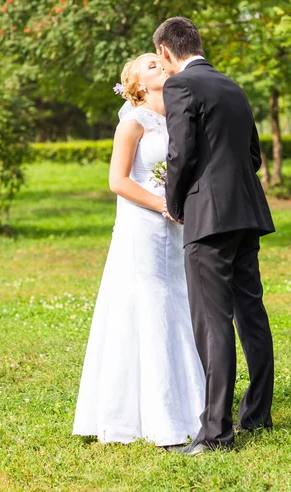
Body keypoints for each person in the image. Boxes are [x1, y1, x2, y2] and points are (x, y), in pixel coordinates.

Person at [154, 17, 275, 456]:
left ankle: (216, 432)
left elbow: (180, 151)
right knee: (251, 314)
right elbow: (253, 156)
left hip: (210, 218)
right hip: (247, 213)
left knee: (212, 322)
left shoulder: (179, 87)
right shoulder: (232, 86)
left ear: (166, 52)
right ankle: (257, 415)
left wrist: (177, 201)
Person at [72, 53, 205, 447]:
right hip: (143, 228)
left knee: (178, 304)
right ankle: (155, 418)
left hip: (177, 229)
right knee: (151, 308)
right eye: (150, 64)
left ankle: (193, 407)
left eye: (161, 61)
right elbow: (118, 180)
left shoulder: (177, 117)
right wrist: (164, 205)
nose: (160, 65)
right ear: (137, 84)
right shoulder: (133, 122)